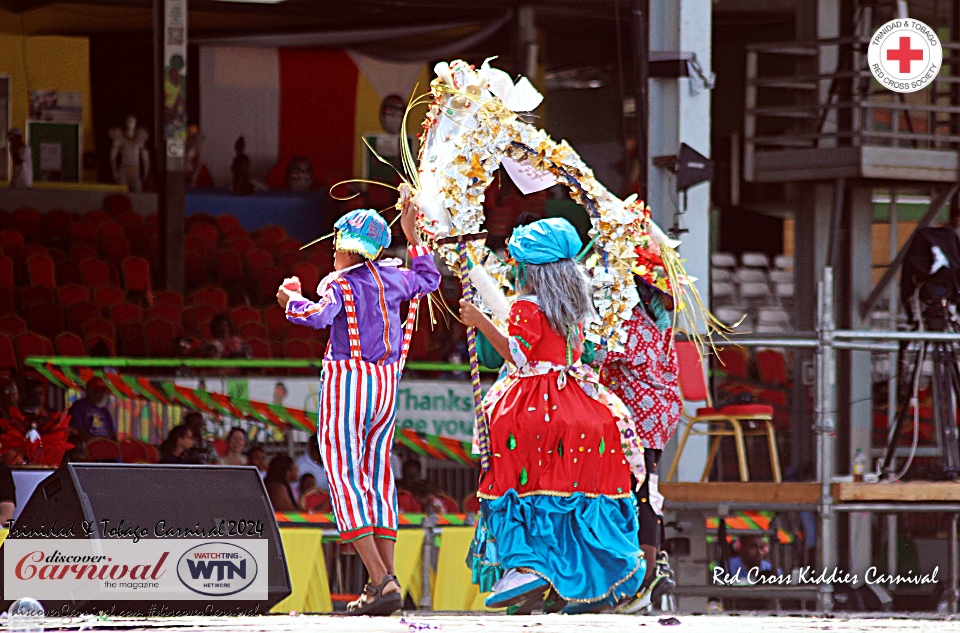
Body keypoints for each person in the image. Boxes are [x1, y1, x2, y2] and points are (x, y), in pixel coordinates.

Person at [459, 217, 647, 614]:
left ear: (529, 269)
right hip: (582, 403)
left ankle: (527, 566)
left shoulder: (527, 306)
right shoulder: (575, 307)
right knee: (575, 493)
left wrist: (480, 323)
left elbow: (517, 355)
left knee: (515, 485)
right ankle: (582, 581)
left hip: (532, 404)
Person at [277, 187, 440, 616]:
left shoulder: (339, 282)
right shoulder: (395, 276)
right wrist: (412, 231)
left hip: (349, 381)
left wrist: (289, 298)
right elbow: (430, 279)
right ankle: (382, 581)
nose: (332, 250)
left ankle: (381, 577)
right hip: (387, 384)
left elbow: (316, 317)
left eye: (336, 243)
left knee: (345, 476)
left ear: (347, 248)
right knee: (378, 478)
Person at [597, 280, 683, 614]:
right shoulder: (656, 321)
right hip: (651, 419)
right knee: (645, 491)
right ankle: (648, 569)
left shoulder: (633, 322)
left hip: (638, 420)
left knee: (639, 494)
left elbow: (596, 353)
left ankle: (644, 578)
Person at [67, 378, 117, 442]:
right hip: (86, 447)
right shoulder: (79, 406)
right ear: (91, 392)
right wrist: (93, 441)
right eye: (100, 392)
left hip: (104, 446)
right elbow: (76, 430)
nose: (102, 395)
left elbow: (111, 433)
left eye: (104, 392)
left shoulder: (104, 411)